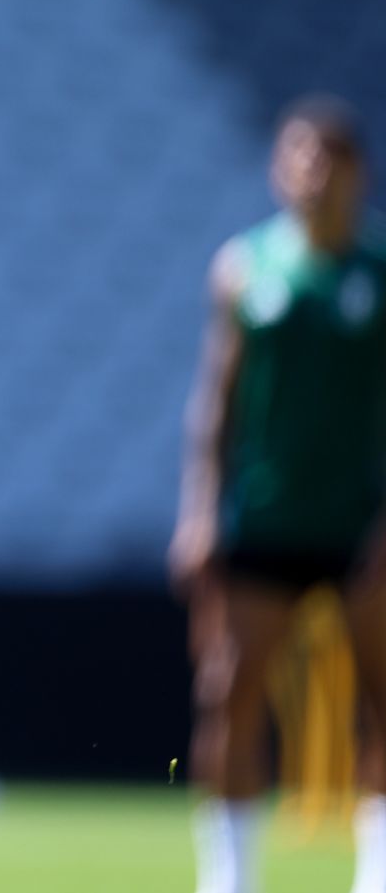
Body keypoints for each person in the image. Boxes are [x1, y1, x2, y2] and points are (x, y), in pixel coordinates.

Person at [171, 95, 386, 893]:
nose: (312, 173)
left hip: (360, 522)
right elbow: (216, 404)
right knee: (229, 690)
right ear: (278, 168)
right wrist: (198, 514)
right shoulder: (244, 266)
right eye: (298, 156)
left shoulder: (378, 271)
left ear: (356, 171)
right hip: (262, 516)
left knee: (380, 692)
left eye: (328, 157)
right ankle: (229, 877)